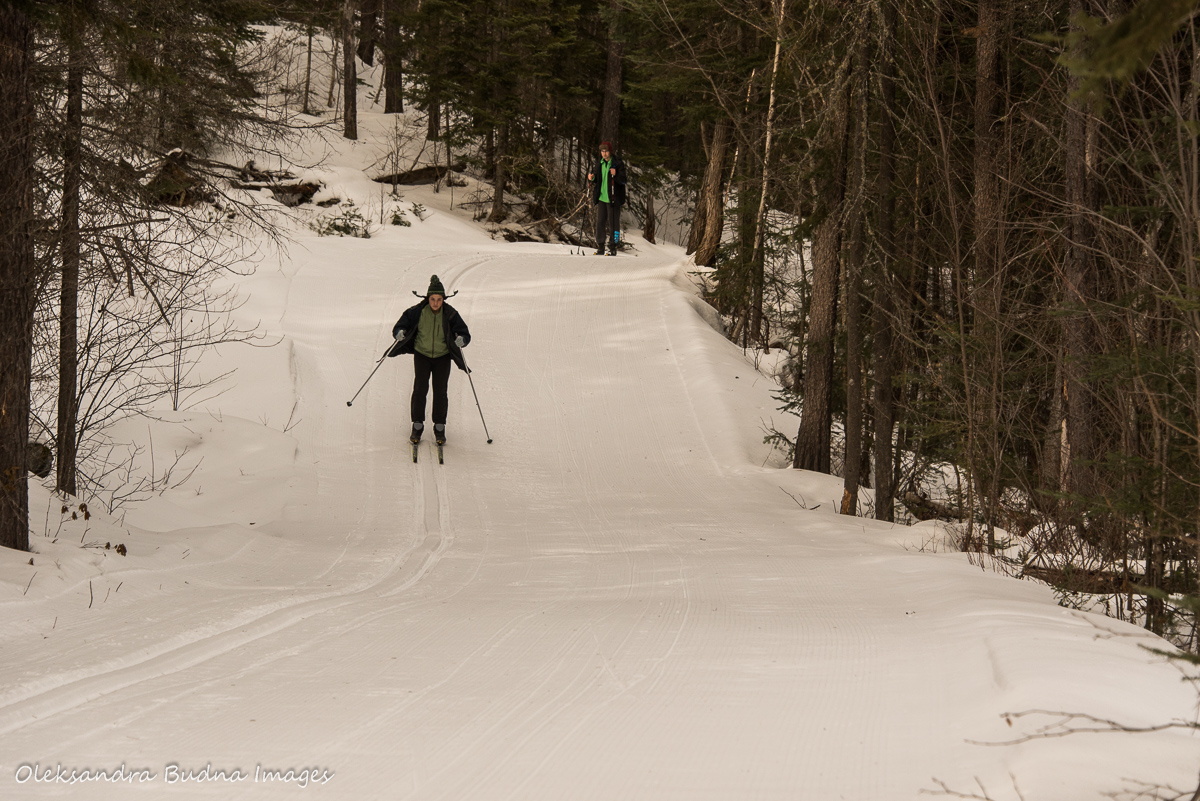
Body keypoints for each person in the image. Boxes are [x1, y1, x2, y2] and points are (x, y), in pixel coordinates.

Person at [387, 275, 471, 445]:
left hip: (443, 356)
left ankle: (439, 427)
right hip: (422, 355)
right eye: (432, 299)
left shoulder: (450, 313)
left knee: (440, 391)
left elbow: (464, 332)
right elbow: (400, 325)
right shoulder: (417, 311)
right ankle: (417, 425)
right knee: (420, 389)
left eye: (439, 299)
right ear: (427, 298)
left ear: (443, 299)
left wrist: (462, 339)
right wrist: (399, 333)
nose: (435, 303)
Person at [587, 141, 626, 256]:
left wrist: (616, 174)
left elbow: (623, 180)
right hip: (602, 198)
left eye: (606, 151)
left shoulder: (617, 163)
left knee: (613, 223)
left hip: (613, 198)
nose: (604, 154)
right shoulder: (600, 163)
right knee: (600, 222)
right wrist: (592, 178)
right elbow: (597, 179)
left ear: (610, 152)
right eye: (602, 151)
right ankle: (600, 246)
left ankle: (613, 246)